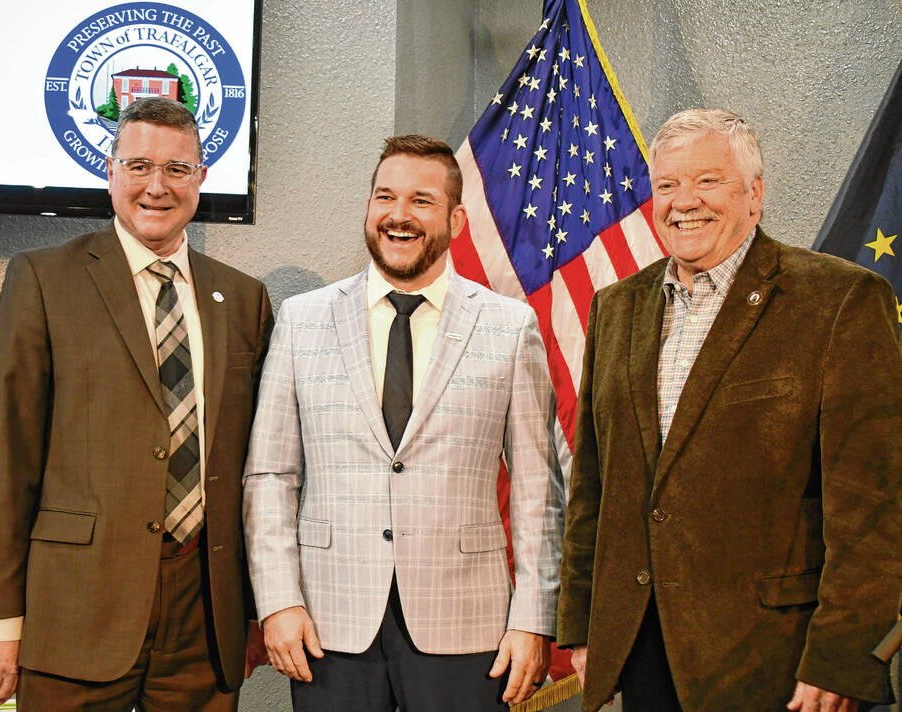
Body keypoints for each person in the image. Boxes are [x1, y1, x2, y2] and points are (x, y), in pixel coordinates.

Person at [557, 109, 902, 712]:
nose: (683, 201)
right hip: (641, 650)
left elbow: (876, 506)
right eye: (667, 185)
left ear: (755, 194)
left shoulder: (840, 299)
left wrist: (845, 656)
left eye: (708, 180)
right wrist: (584, 629)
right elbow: (593, 484)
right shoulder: (616, 307)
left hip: (780, 661)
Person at [241, 135, 565, 712]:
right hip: (326, 620)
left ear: (456, 220)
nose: (398, 215)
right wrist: (277, 601)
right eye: (384, 197)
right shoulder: (302, 320)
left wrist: (534, 619)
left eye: (421, 201)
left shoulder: (510, 328)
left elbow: (539, 489)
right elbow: (270, 476)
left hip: (469, 626)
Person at [0, 96, 273, 711]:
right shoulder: (43, 280)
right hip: (76, 610)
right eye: (138, 166)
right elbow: (6, 458)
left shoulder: (243, 300)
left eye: (176, 169)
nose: (156, 186)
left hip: (203, 616)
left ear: (201, 179)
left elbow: (259, 470)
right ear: (110, 173)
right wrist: (4, 623)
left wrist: (256, 607)